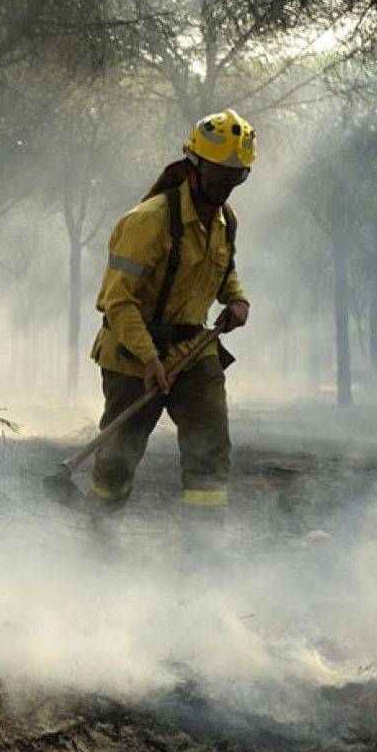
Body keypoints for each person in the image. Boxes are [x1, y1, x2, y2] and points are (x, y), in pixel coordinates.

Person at [87, 109, 255, 522]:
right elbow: (118, 301)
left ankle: (204, 542)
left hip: (194, 349)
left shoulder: (224, 220)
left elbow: (223, 269)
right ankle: (98, 531)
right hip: (132, 352)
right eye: (220, 175)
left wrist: (236, 300)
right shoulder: (148, 222)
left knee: (210, 446)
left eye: (238, 178)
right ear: (194, 165)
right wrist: (149, 358)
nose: (227, 186)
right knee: (118, 456)